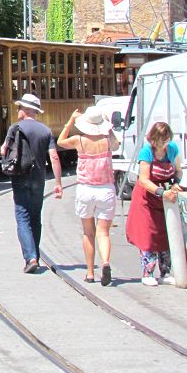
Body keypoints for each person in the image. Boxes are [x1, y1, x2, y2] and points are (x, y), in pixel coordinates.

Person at [0, 93, 63, 274]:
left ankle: (31, 257)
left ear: (27, 110)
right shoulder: (46, 131)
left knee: (22, 216)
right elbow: (54, 157)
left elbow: (4, 149)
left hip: (20, 176)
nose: (18, 110)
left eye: (20, 107)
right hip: (38, 178)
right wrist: (58, 182)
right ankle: (34, 253)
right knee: (35, 216)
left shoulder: (15, 127)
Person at [57, 107, 120, 285]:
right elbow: (117, 144)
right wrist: (108, 127)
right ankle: (106, 263)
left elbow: (60, 141)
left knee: (88, 233)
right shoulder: (108, 141)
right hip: (106, 189)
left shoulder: (79, 140)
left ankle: (90, 272)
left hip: (86, 190)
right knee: (104, 232)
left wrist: (70, 121)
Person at [126, 121, 183, 286]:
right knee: (148, 235)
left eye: (165, 142)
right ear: (153, 140)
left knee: (166, 233)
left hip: (165, 198)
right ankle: (148, 272)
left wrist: (175, 184)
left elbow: (178, 170)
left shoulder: (172, 149)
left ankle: (165, 272)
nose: (162, 146)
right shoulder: (146, 152)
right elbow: (143, 180)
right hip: (147, 198)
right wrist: (160, 192)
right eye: (159, 142)